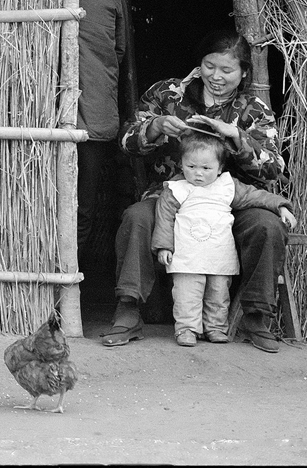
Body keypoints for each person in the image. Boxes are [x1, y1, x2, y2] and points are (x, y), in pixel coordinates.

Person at [101, 28, 290, 353]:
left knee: (267, 226)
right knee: (137, 218)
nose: (216, 76)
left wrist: (236, 137)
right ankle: (128, 310)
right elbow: (125, 142)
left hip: (231, 202)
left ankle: (257, 317)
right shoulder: (167, 94)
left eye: (227, 70)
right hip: (171, 199)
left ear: (244, 72)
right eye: (209, 66)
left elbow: (274, 167)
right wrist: (154, 127)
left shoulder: (253, 109)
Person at [152, 130, 297, 347]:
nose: (198, 174)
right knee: (187, 293)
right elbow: (164, 218)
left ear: (220, 168)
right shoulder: (176, 189)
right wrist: (164, 246)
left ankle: (216, 328)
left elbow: (255, 196)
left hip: (218, 253)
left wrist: (281, 206)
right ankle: (187, 328)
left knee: (219, 293)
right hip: (187, 254)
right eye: (191, 167)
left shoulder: (228, 186)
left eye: (206, 168)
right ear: (181, 164)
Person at [77, 0, 128, 266]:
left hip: (28, 114)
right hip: (93, 110)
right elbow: (119, 50)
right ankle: (66, 283)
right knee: (81, 206)